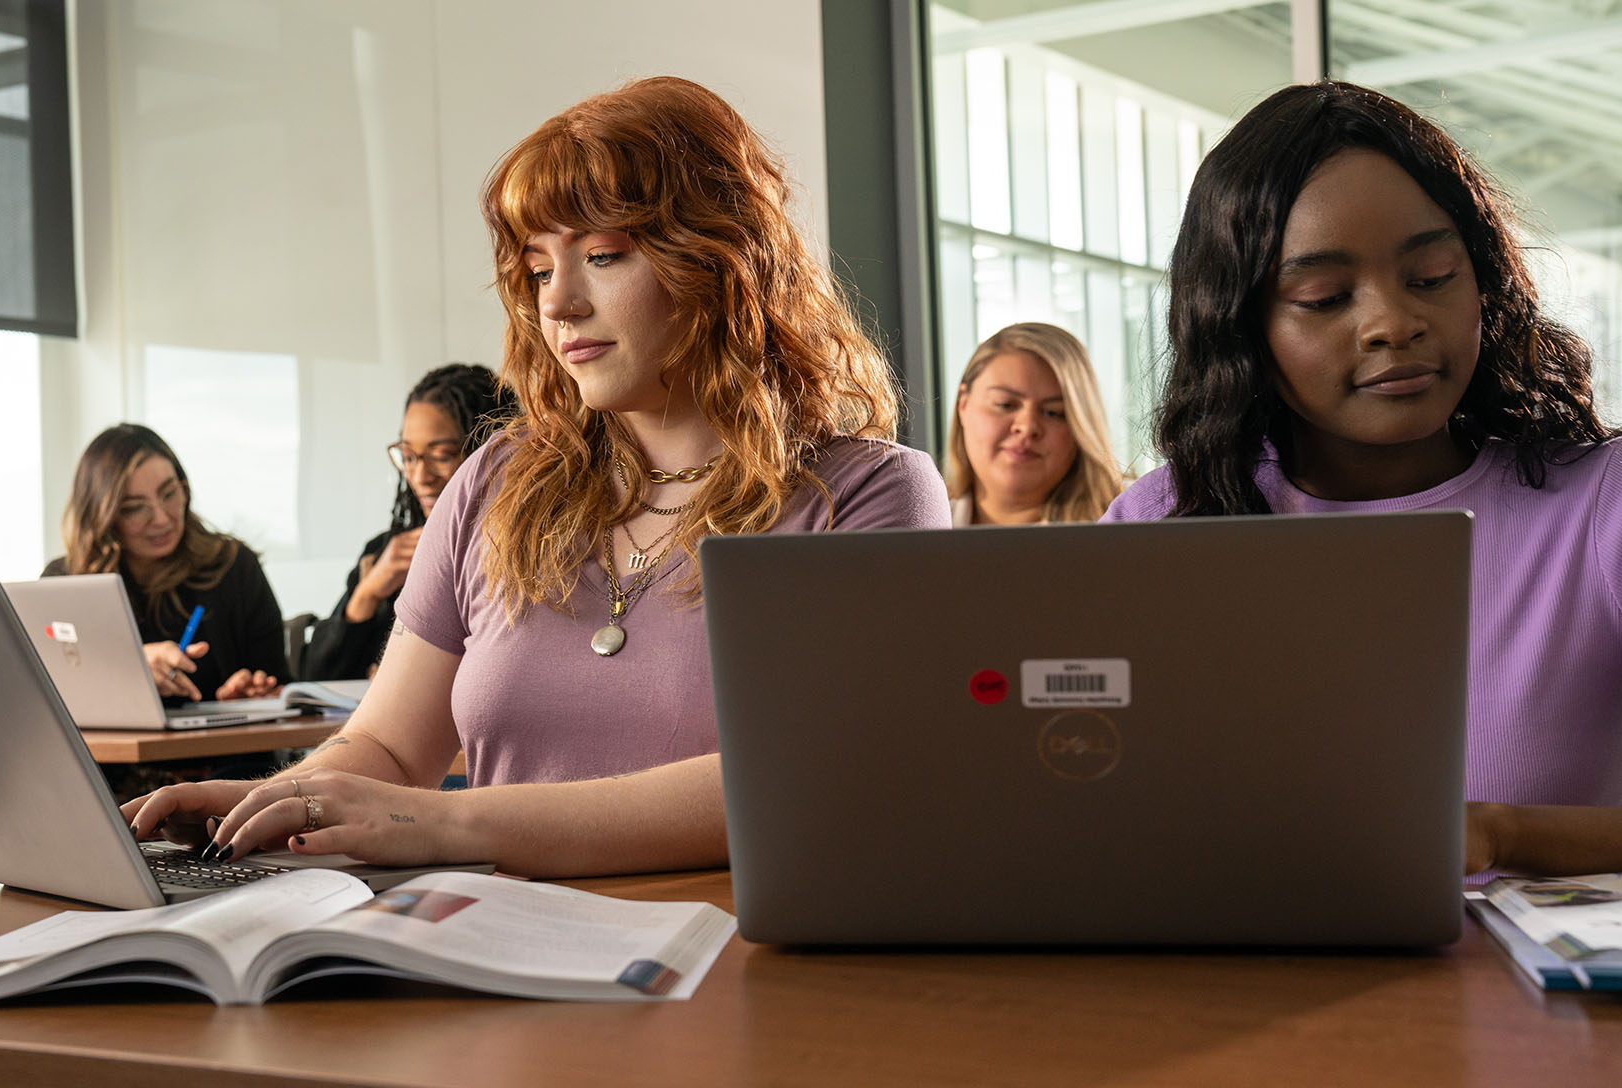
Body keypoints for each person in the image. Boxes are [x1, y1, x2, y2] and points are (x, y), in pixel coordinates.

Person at [125, 76, 951, 877]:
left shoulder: (868, 495)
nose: (558, 304)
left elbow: (799, 781)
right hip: (493, 956)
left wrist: (443, 821)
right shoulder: (494, 481)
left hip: (734, 970)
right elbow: (388, 747)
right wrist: (274, 802)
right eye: (539, 270)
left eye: (601, 255)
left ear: (721, 263)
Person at [1102, 80, 1622, 877]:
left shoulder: (1618, 505)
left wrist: (1500, 835)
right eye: (1324, 297)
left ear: (1485, 287)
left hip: (1521, 992)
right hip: (1233, 978)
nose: (1393, 324)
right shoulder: (1161, 519)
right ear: (1242, 328)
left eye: (1431, 277)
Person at [298, 364, 517, 682]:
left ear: (493, 453)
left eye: (441, 456)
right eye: (409, 457)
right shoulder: (386, 552)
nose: (420, 477)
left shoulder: (526, 554)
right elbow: (316, 679)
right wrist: (368, 594)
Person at [47, 423, 290, 702]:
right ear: (102, 517)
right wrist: (132, 669)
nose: (161, 518)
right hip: (110, 746)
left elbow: (277, 680)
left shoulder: (233, 566)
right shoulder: (65, 582)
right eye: (135, 508)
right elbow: (50, 694)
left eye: (169, 494)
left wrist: (251, 691)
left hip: (223, 745)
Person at [945, 322, 1123, 525]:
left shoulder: (1136, 520)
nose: (1028, 427)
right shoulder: (917, 524)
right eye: (1005, 404)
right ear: (963, 404)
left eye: (1053, 413)